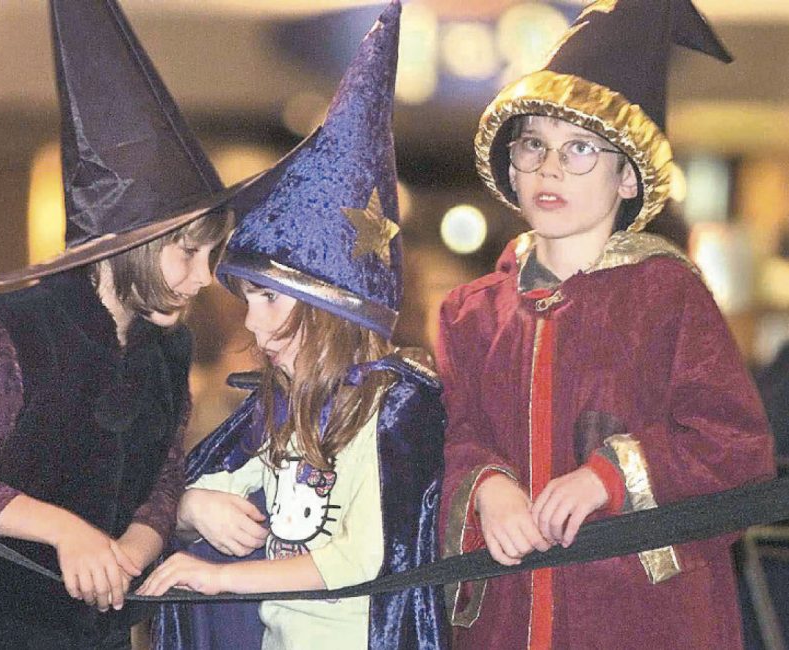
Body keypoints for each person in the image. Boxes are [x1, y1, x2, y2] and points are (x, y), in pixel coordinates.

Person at [436, 1, 776, 648]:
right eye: (532, 144)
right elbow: (455, 434)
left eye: (579, 149)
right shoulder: (470, 313)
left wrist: (609, 477)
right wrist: (484, 488)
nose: (549, 167)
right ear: (509, 165)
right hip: (507, 618)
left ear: (627, 177)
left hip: (641, 620)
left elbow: (733, 446)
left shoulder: (665, 295)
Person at [0, 1, 239, 647]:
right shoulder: (22, 327)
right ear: (124, 244)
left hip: (95, 629)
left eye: (211, 256)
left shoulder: (168, 346)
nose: (204, 277)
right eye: (187, 253)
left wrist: (132, 545)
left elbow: (163, 474)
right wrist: (68, 531)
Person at [143, 4, 448, 649]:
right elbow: (206, 483)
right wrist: (195, 506)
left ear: (330, 310)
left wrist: (220, 580)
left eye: (269, 302)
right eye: (248, 300)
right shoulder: (290, 407)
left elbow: (359, 558)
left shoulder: (387, 406)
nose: (254, 325)